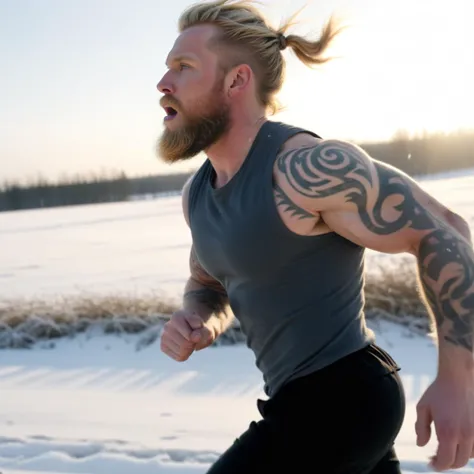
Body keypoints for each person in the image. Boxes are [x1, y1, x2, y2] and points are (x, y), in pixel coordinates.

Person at [155, 1, 474, 472]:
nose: (163, 83)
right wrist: (199, 319)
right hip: (305, 400)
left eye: (183, 67)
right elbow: (210, 284)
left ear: (236, 81)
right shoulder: (197, 196)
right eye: (167, 68)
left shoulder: (303, 168)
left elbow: (446, 232)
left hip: (345, 396)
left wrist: (459, 381)